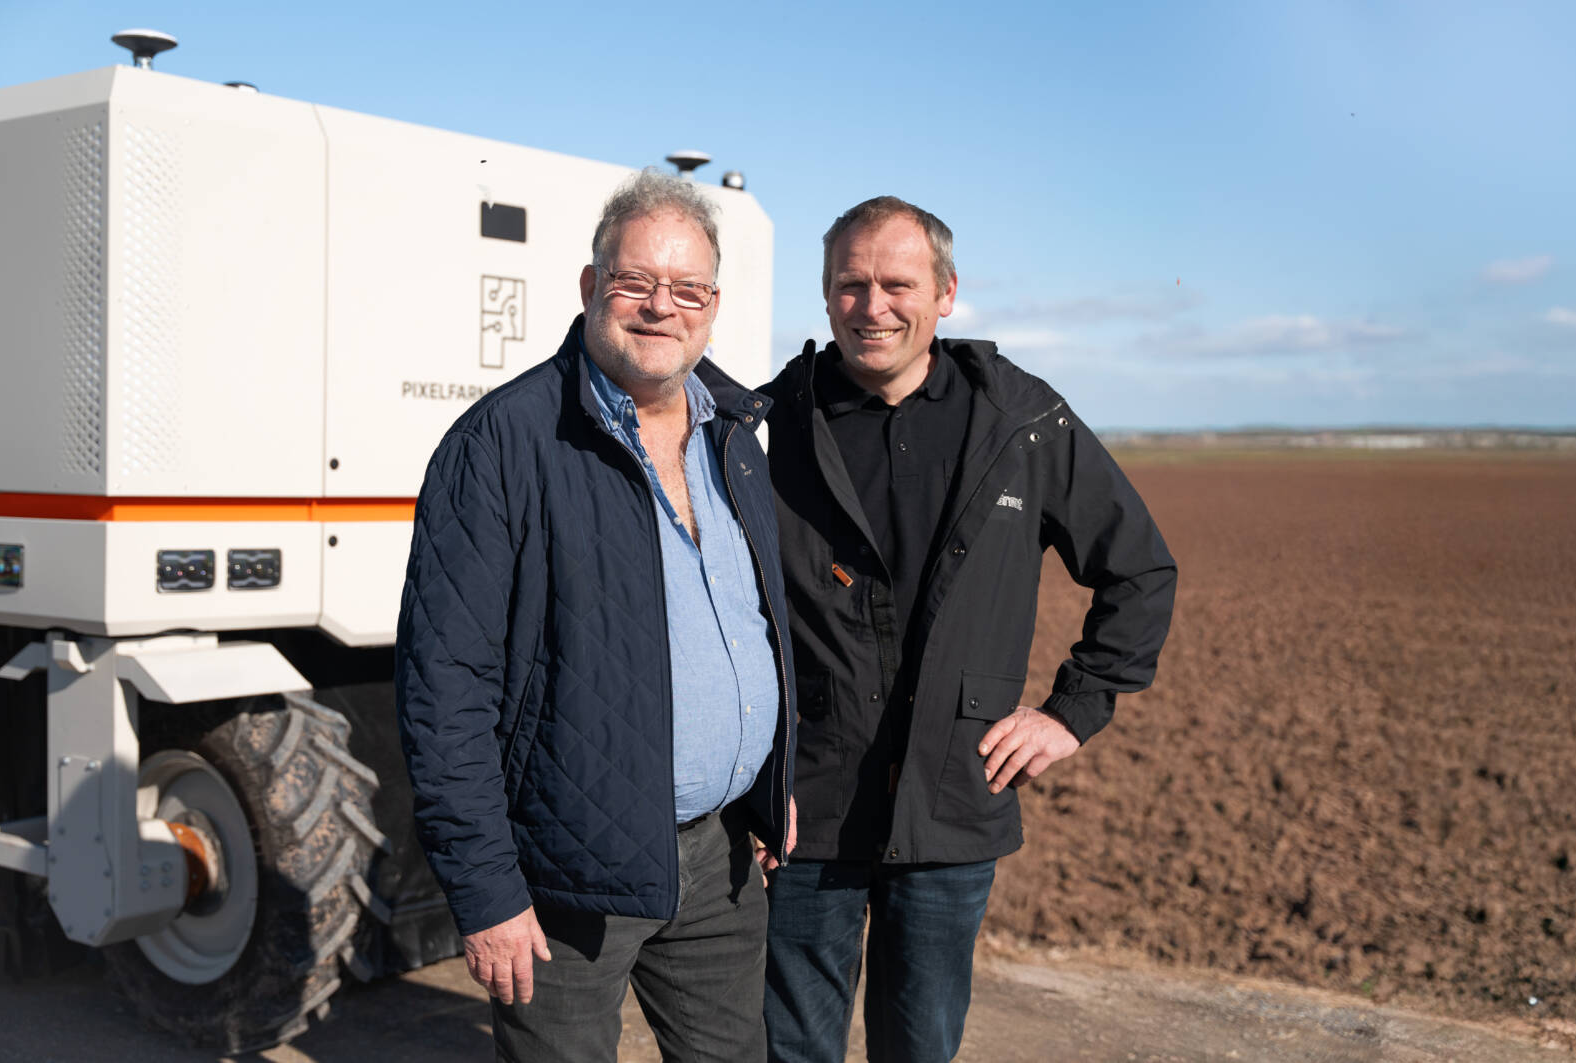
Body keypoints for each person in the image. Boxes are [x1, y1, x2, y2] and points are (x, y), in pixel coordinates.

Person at [758, 197, 1177, 1063]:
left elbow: (1138, 570)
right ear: (826, 294)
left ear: (946, 293)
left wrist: (1072, 711)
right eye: (850, 284)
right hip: (807, 803)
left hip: (951, 797)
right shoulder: (770, 426)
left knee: (920, 1044)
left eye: (896, 284)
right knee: (792, 1048)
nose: (872, 306)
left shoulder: (1020, 423)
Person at [395, 170, 795, 1063]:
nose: (661, 307)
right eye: (634, 282)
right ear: (588, 288)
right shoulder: (502, 444)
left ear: (714, 306)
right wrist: (488, 892)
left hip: (722, 859)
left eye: (687, 289)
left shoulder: (733, 434)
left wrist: (771, 781)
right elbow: (444, 687)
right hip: (566, 875)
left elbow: (760, 623)